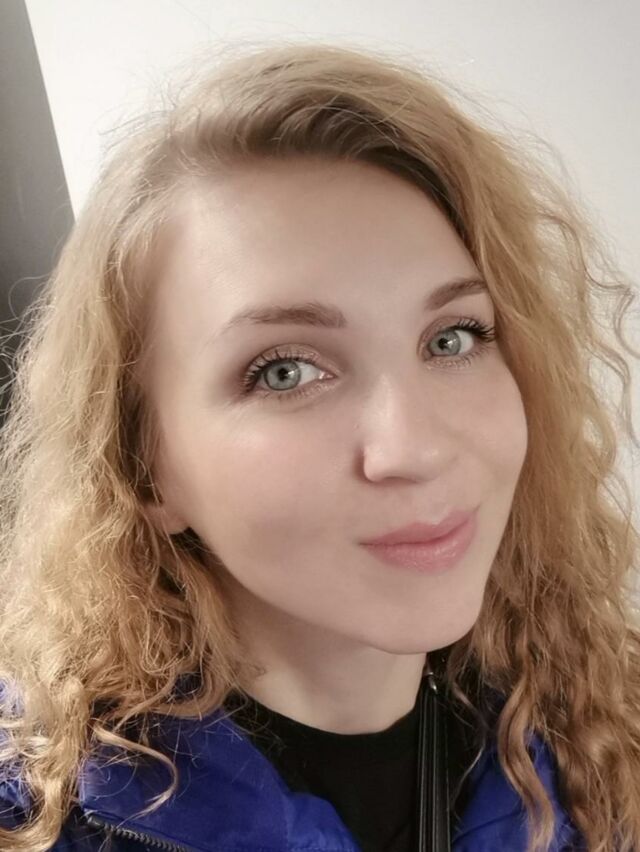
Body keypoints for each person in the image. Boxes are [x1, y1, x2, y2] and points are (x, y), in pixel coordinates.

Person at [0, 39, 639, 852]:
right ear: (144, 468)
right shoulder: (39, 818)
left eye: (453, 337)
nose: (415, 448)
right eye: (285, 371)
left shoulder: (594, 729)